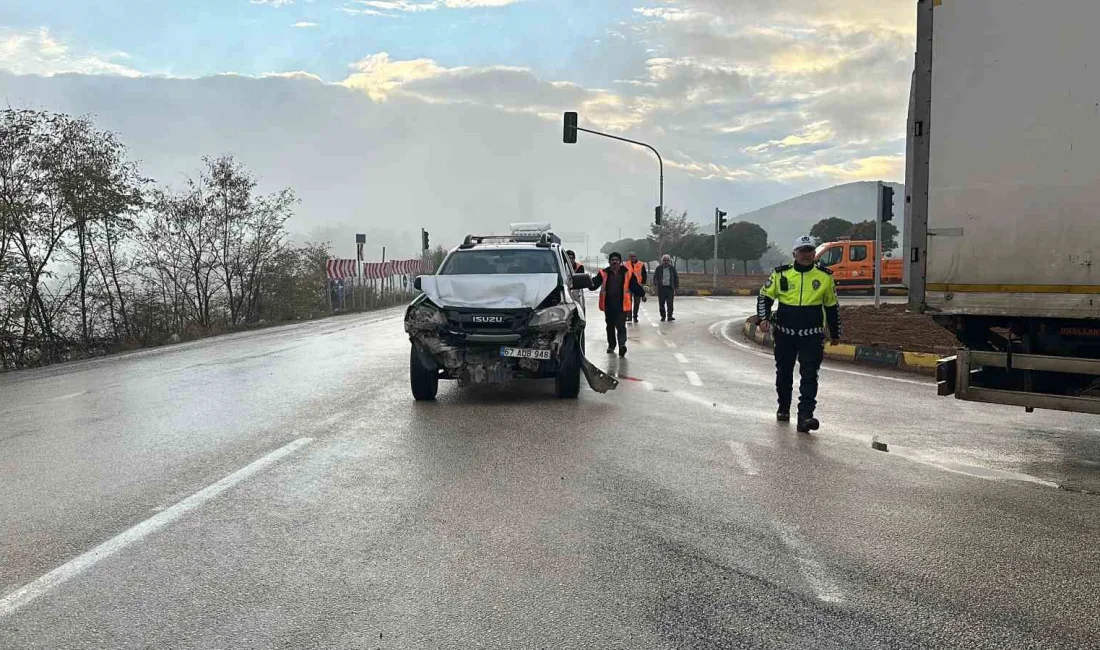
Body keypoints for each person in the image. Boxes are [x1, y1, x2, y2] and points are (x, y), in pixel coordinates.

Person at [755, 235, 841, 433]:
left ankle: (805, 416)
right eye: (802, 251)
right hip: (785, 335)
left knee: (810, 375)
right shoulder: (781, 275)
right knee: (784, 373)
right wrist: (763, 319)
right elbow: (764, 297)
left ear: (814, 254)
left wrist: (835, 332)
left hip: (812, 336)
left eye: (810, 251)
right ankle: (783, 407)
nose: (806, 255)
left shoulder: (825, 276)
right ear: (794, 254)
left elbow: (832, 306)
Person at [589, 252, 643, 357]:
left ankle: (622, 345)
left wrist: (642, 293)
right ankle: (611, 345)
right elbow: (594, 284)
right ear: (609, 262)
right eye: (612, 260)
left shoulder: (627, 273)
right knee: (610, 326)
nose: (614, 262)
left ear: (620, 262)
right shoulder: (604, 273)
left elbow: (634, 285)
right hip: (608, 305)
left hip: (622, 305)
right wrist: (588, 283)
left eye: (616, 260)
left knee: (621, 326)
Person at [653, 254, 679, 321]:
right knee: (661, 303)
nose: (666, 262)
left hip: (670, 288)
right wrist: (656, 285)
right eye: (664, 260)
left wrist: (676, 287)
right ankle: (663, 316)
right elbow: (655, 277)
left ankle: (670, 316)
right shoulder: (659, 268)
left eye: (667, 260)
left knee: (670, 303)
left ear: (669, 261)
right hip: (661, 288)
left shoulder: (672, 268)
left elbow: (676, 278)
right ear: (662, 261)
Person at [624, 252, 648, 323]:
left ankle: (635, 316)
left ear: (636, 257)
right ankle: (629, 317)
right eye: (632, 256)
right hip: (629, 286)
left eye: (634, 256)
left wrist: (643, 285)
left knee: (637, 302)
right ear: (629, 257)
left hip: (638, 286)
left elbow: (644, 275)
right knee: (629, 302)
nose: (633, 258)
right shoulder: (626, 265)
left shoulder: (641, 264)